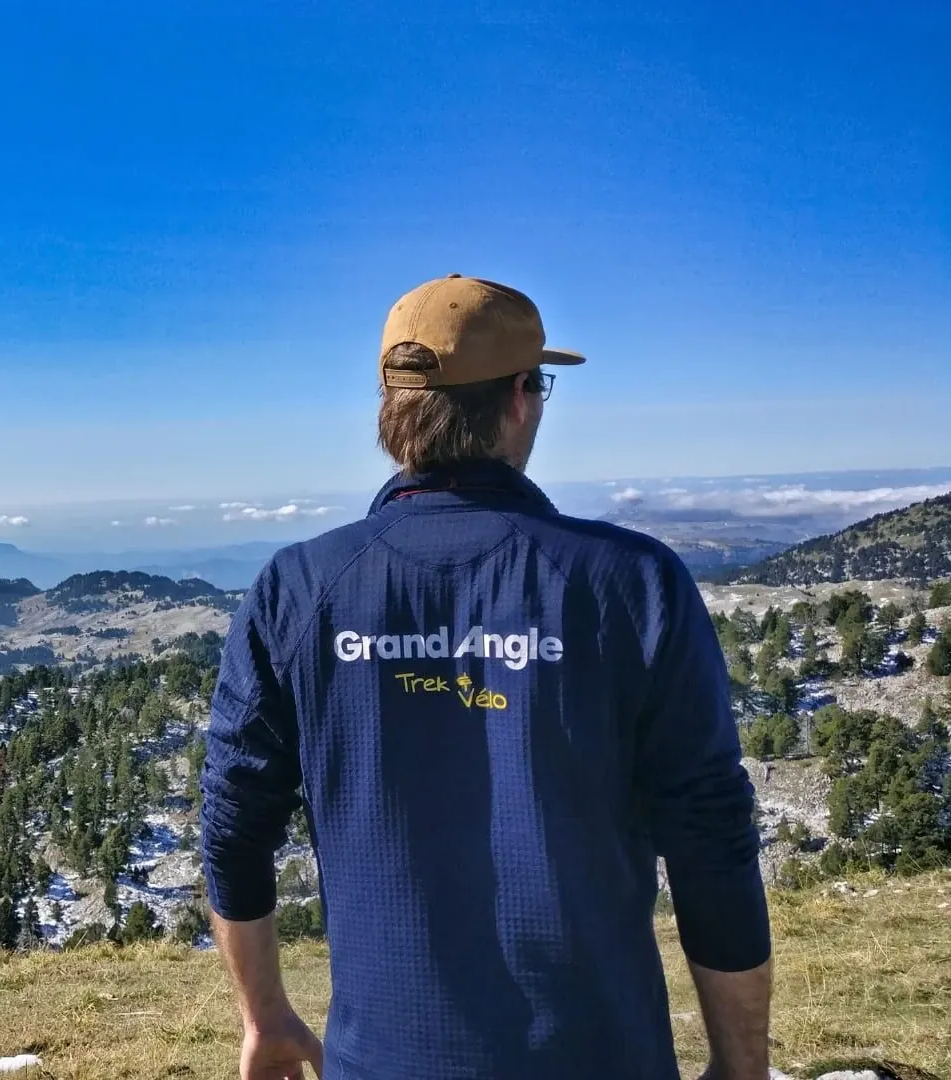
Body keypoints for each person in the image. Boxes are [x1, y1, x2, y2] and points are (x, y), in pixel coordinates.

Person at [199, 274, 773, 1080]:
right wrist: (741, 1064)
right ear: (518, 400)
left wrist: (264, 1018)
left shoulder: (298, 590)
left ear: (391, 411)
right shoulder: (632, 584)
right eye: (538, 382)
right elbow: (711, 836)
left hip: (382, 1060)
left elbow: (233, 819)